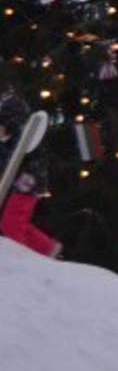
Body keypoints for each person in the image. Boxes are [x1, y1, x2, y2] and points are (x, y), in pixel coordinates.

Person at [0, 92, 61, 259]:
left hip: (28, 184)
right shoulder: (6, 140)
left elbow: (36, 158)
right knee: (14, 224)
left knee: (11, 224)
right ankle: (47, 249)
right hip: (16, 184)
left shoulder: (24, 138)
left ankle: (17, 258)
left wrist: (30, 176)